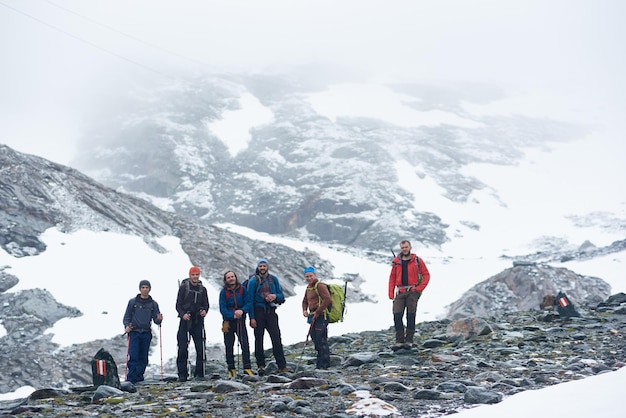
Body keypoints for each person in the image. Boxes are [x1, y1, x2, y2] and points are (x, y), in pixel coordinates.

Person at [245, 259, 288, 375]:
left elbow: (281, 296)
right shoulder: (254, 281)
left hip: (271, 311)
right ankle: (261, 365)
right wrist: (252, 318)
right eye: (260, 266)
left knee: (276, 337)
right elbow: (249, 300)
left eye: (264, 266)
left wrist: (274, 296)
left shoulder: (273, 279)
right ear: (258, 268)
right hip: (258, 311)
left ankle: (282, 365)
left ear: (267, 267)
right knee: (259, 339)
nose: (262, 268)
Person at [388, 240, 431, 349]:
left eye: (406, 247)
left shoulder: (417, 260)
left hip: (412, 291)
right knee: (397, 315)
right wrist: (391, 292)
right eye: (402, 247)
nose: (404, 249)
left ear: (410, 247)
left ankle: (409, 341)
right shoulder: (396, 262)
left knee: (410, 315)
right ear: (400, 248)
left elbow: (426, 275)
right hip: (400, 291)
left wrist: (419, 288)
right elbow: (392, 277)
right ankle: (399, 341)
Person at [122, 280, 163, 384]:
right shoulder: (133, 302)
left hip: (146, 332)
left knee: (143, 357)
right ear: (140, 289)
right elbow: (126, 317)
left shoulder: (153, 304)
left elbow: (156, 320)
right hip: (134, 332)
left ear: (149, 289)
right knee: (134, 356)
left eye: (146, 287)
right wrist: (127, 326)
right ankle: (131, 378)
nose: (145, 289)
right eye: (143, 287)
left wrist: (159, 319)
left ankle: (139, 377)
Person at [175, 266, 209, 382]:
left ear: (199, 275)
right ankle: (182, 374)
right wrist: (183, 314)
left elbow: (206, 304)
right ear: (190, 275)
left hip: (198, 321)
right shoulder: (184, 287)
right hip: (185, 320)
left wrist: (204, 311)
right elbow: (178, 304)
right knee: (183, 348)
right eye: (193, 274)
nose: (195, 276)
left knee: (200, 348)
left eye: (196, 274)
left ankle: (199, 374)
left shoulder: (203, 289)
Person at [219, 270, 254, 378]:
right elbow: (222, 308)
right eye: (229, 277)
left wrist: (242, 311)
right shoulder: (223, 292)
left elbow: (248, 303)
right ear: (226, 280)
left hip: (240, 320)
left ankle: (247, 368)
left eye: (232, 276)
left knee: (245, 343)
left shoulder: (242, 290)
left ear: (235, 277)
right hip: (228, 322)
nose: (231, 279)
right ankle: (231, 369)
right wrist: (233, 314)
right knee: (229, 345)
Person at [301, 266, 332, 369]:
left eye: (310, 276)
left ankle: (324, 364)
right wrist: (305, 310)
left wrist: (318, 311)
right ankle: (320, 364)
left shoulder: (320, 286)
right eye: (307, 276)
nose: (309, 278)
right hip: (313, 315)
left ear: (315, 275)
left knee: (321, 338)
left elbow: (327, 299)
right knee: (315, 338)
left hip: (322, 315)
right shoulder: (309, 288)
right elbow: (304, 301)